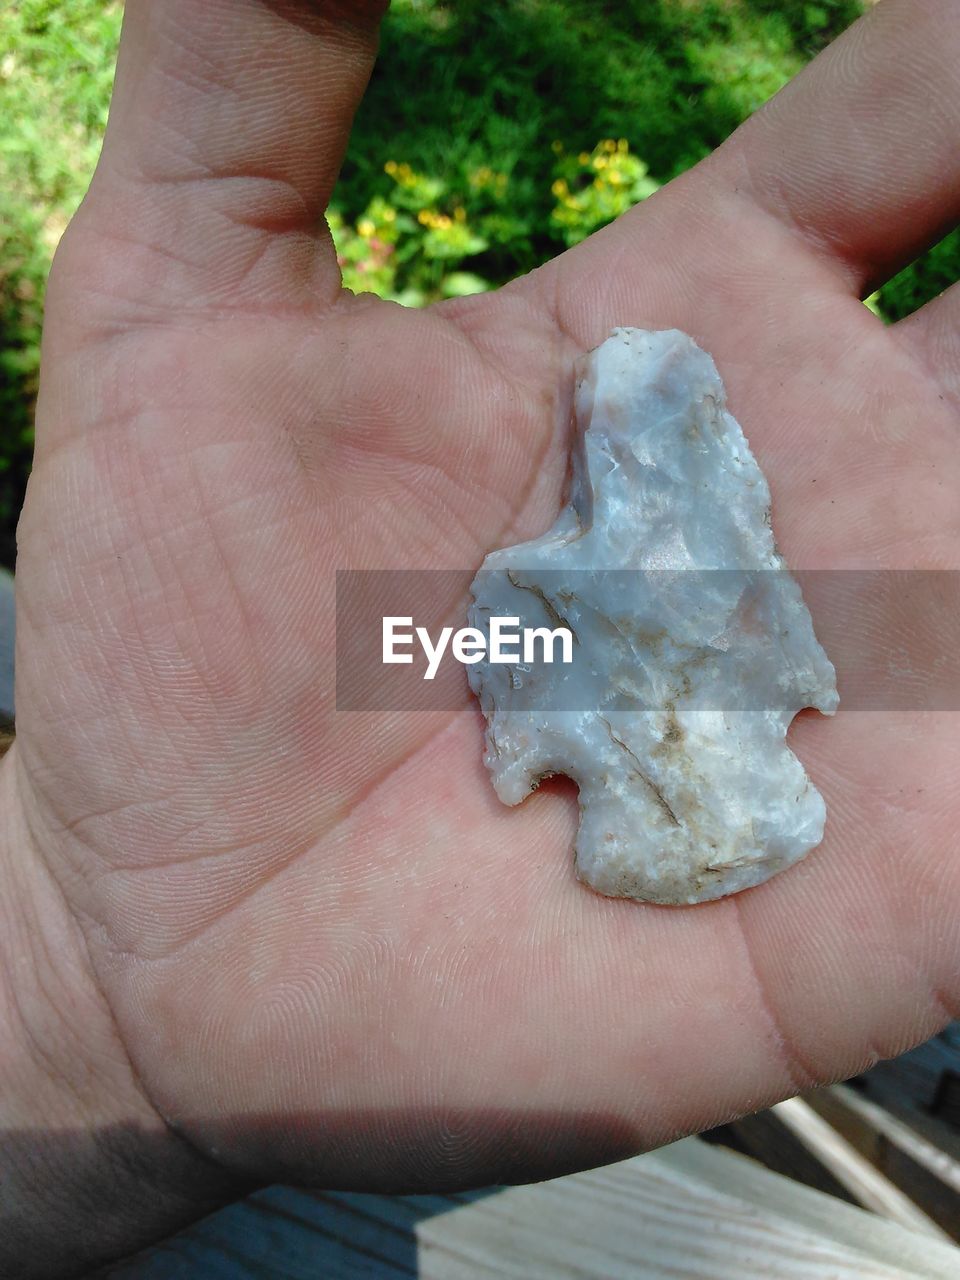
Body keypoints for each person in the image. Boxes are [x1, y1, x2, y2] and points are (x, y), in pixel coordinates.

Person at [3, 0, 959, 1273]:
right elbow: (474, 645)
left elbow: (657, 644)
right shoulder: (536, 587)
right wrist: (65, 983)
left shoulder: (619, 569)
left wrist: (71, 1001)